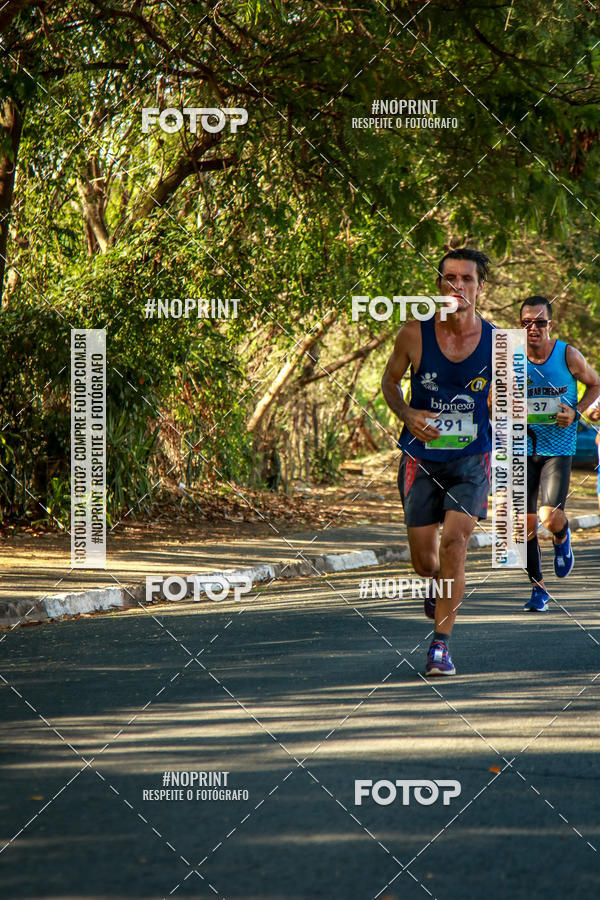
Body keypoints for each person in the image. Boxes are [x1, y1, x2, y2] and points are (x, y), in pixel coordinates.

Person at [381, 248, 493, 676]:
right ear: (439, 287)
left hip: (471, 460)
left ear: (480, 287)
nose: (458, 286)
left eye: (467, 279)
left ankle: (440, 646)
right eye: (450, 279)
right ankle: (434, 585)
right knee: (425, 562)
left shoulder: (499, 343)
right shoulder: (413, 334)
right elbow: (390, 382)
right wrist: (408, 414)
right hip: (420, 459)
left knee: (455, 546)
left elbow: (509, 404)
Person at [522, 296, 600, 611]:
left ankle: (561, 534)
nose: (533, 328)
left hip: (558, 447)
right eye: (526, 322)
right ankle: (538, 589)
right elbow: (492, 397)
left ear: (550, 325)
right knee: (522, 525)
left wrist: (577, 411)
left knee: (548, 517)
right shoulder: (510, 357)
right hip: (521, 447)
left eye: (540, 322)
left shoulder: (567, 354)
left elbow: (595, 384)